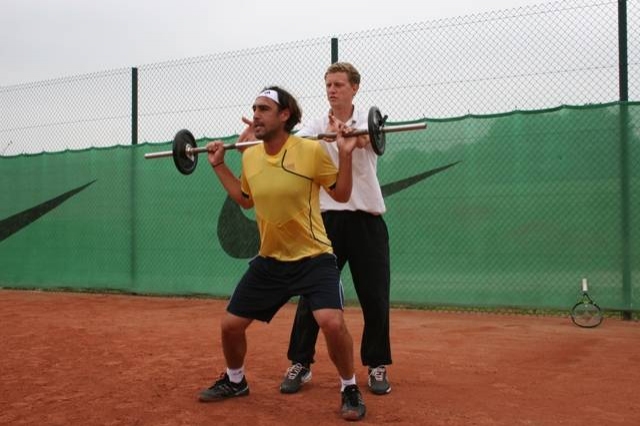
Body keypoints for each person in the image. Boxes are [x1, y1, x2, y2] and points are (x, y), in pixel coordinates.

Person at [198, 86, 366, 421]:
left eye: (264, 109)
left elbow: (342, 194)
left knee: (331, 323)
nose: (256, 115)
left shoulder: (310, 150)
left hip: (314, 257)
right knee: (230, 326)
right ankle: (235, 381)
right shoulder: (251, 156)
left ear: (285, 115)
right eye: (254, 109)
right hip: (271, 260)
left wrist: (345, 154)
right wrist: (218, 166)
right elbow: (245, 199)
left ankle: (349, 387)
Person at [280, 62, 393, 396]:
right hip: (326, 221)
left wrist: (349, 135)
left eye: (339, 84)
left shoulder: (369, 124)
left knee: (375, 295)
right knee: (312, 295)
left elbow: (368, 141)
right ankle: (300, 363)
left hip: (367, 220)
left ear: (354, 88)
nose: (332, 90)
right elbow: (296, 144)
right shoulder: (316, 125)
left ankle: (376, 365)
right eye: (328, 84)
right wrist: (325, 137)